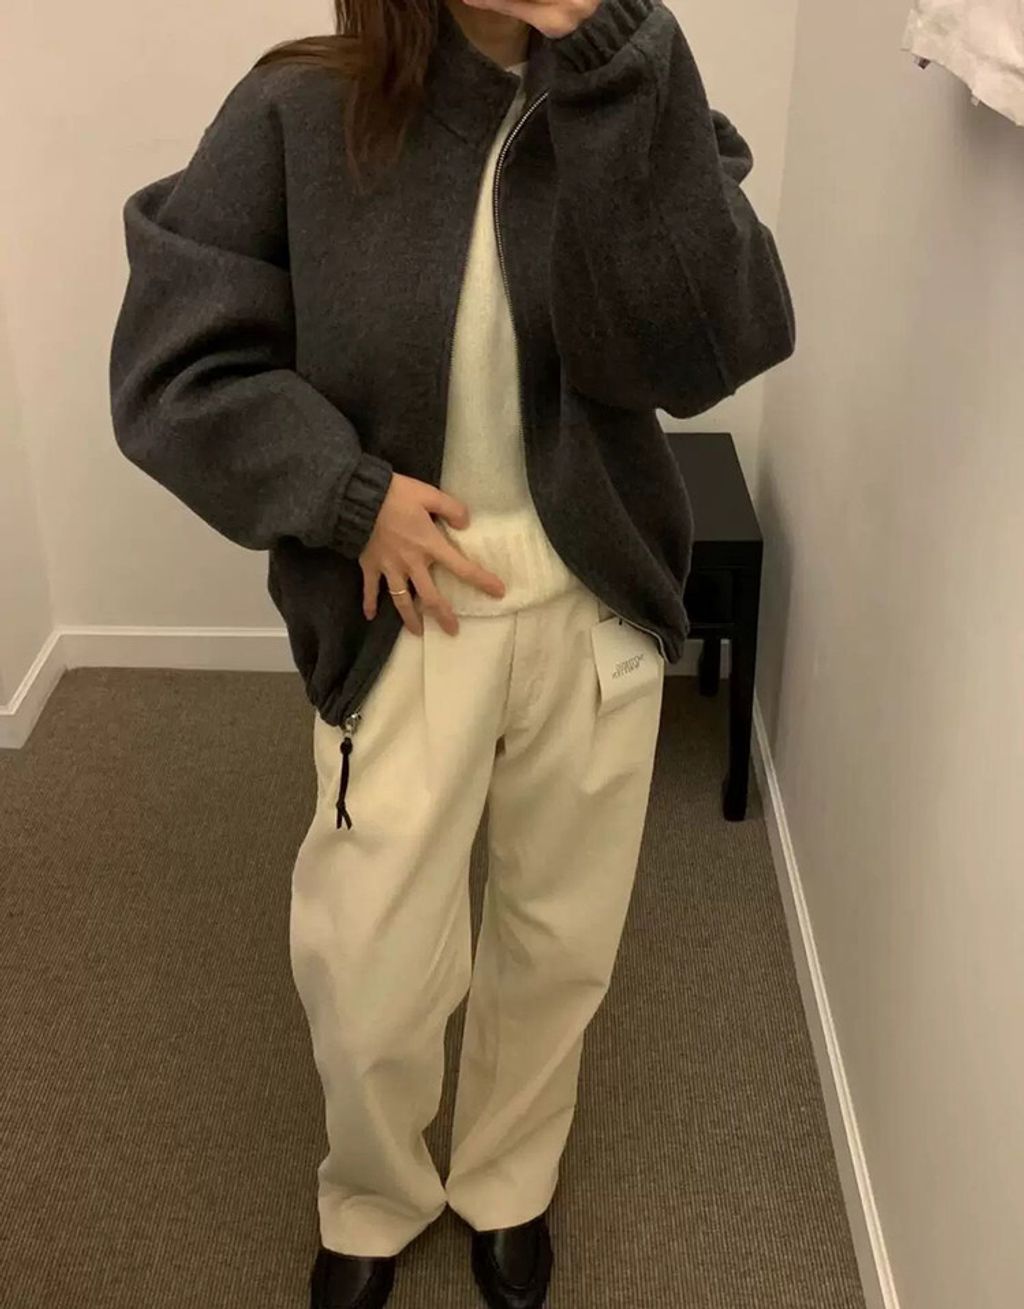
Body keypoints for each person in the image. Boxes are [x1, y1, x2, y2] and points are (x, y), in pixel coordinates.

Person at [108, 0, 795, 1305]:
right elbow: (172, 364)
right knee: (368, 965)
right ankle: (371, 1193)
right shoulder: (298, 109)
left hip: (592, 600)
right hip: (404, 615)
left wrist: (615, 57)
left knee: (559, 938)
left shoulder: (630, 95)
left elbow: (714, 342)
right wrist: (344, 495)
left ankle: (508, 1183)